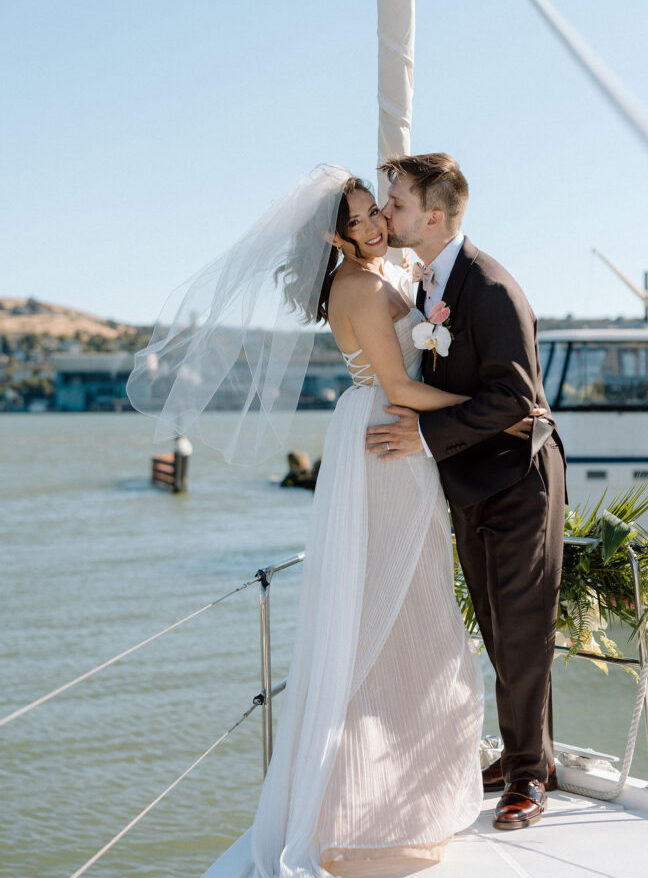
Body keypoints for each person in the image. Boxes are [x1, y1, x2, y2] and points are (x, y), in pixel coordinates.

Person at [127, 166, 539, 876]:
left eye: (380, 209)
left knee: (410, 608)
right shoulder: (355, 285)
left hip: (396, 438)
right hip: (388, 439)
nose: (378, 222)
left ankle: (397, 787)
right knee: (394, 614)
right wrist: (498, 405)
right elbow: (403, 385)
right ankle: (358, 805)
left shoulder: (388, 272)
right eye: (360, 218)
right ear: (334, 234)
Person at [366, 153, 566, 832]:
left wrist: (421, 435)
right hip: (472, 479)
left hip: (518, 478)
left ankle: (528, 779)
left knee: (520, 627)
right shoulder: (432, 283)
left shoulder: (489, 288)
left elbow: (516, 398)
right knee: (492, 620)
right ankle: (523, 754)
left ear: (436, 214)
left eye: (395, 202)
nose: (386, 212)